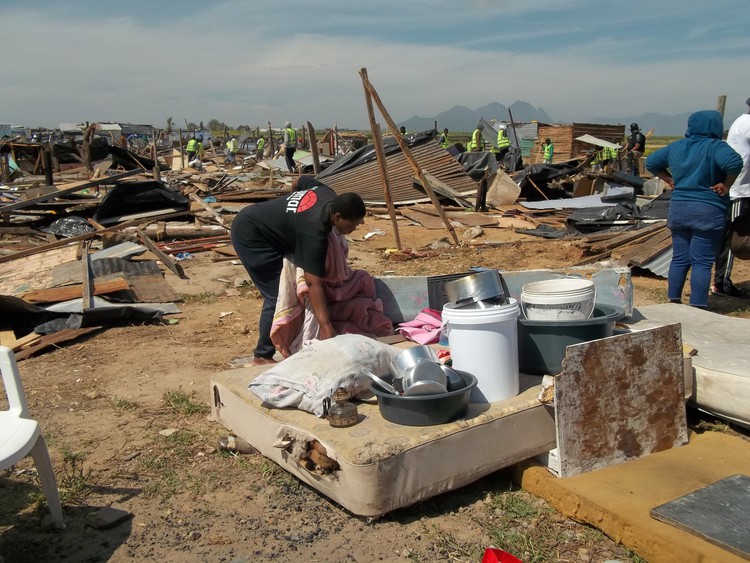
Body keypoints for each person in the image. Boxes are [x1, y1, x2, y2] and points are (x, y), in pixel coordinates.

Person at [230, 176, 367, 365]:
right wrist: (326, 327)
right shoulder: (313, 231)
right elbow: (313, 283)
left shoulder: (326, 194)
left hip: (261, 219)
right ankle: (262, 355)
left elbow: (298, 180)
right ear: (337, 217)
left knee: (292, 287)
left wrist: (291, 213)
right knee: (278, 293)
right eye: (351, 225)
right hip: (251, 235)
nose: (353, 230)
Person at [646, 110, 743, 308]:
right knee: (702, 262)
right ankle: (698, 306)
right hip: (707, 210)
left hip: (679, 208)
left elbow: (651, 162)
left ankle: (673, 301)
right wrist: (727, 184)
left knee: (680, 258)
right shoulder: (716, 147)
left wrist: (669, 179)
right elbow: (734, 162)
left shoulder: (677, 146)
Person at [713, 97, 750, 297]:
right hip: (741, 190)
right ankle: (721, 283)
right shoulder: (748, 124)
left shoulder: (740, 121)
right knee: (732, 238)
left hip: (742, 188)